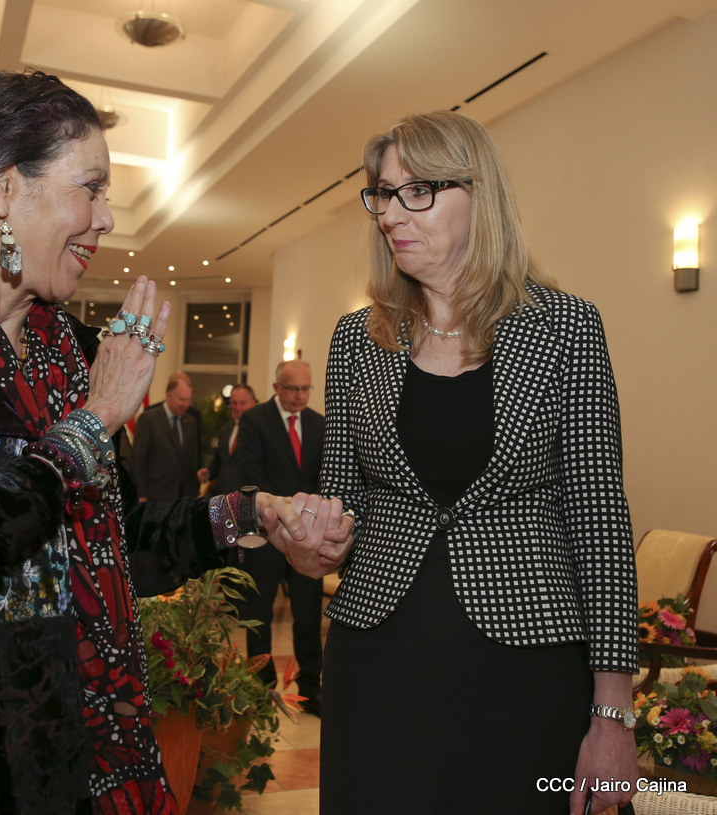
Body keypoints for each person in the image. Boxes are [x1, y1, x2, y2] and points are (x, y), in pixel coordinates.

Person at [0, 69, 351, 815]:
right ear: (2, 189)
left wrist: (253, 515)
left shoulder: (73, 352)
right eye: (91, 188)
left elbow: (110, 534)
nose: (108, 218)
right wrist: (95, 419)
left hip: (77, 738)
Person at [319, 110, 637, 814]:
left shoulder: (565, 328)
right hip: (376, 666)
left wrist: (613, 714)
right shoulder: (356, 340)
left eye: (418, 191)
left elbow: (599, 519)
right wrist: (314, 533)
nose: (391, 214)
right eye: (384, 194)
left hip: (525, 674)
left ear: (479, 194)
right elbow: (342, 501)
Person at [236, 361, 325, 717]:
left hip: (305, 537)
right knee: (259, 613)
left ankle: (311, 689)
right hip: (267, 533)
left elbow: (325, 478)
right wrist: (284, 515)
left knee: (308, 614)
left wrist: (309, 521)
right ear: (276, 387)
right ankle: (261, 689)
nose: (300, 395)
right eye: (293, 389)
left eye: (305, 388)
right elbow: (251, 475)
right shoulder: (255, 420)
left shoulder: (319, 423)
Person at [132, 379, 200, 501]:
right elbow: (138, 459)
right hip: (155, 494)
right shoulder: (149, 419)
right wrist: (141, 494)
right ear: (169, 395)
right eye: (181, 399)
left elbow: (192, 459)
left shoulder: (190, 422)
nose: (185, 404)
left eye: (188, 400)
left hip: (183, 497)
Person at [197, 383, 256, 495]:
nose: (238, 407)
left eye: (242, 403)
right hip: (223, 495)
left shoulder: (260, 432)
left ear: (253, 403)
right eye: (234, 403)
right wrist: (208, 472)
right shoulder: (225, 430)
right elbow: (219, 460)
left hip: (247, 496)